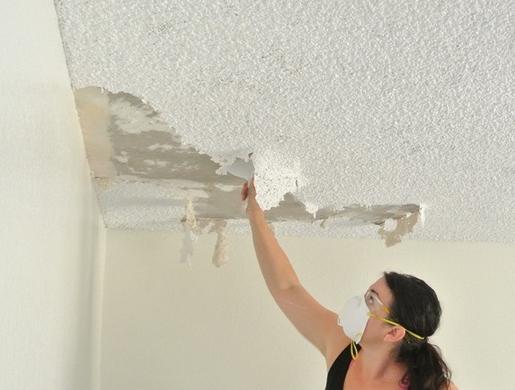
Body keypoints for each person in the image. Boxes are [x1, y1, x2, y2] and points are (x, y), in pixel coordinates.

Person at [241, 177, 458, 390]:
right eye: (367, 295)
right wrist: (255, 214)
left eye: (372, 301)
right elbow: (287, 288)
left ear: (393, 333)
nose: (359, 304)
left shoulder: (435, 387)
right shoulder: (340, 345)